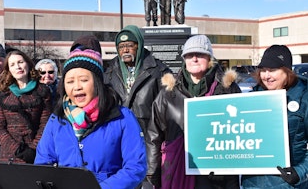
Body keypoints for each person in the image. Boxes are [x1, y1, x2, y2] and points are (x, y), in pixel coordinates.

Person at [34, 37, 147, 189]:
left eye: (83, 80)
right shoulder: (57, 119)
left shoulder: (123, 117)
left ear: (97, 82)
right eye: (70, 81)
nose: (77, 87)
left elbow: (135, 167)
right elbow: (43, 163)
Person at [146, 35, 241, 189]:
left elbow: (239, 131)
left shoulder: (227, 90)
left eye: (200, 54)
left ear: (209, 57)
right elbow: (154, 135)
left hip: (217, 176)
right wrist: (152, 173)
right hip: (176, 169)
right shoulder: (168, 93)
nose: (194, 59)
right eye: (189, 55)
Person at [104, 24, 171, 188]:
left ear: (139, 46)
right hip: (118, 143)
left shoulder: (158, 71)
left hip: (148, 142)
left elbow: (166, 111)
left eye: (129, 45)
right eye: (121, 47)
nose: (125, 50)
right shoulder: (109, 72)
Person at [242, 45, 308, 188]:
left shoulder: (304, 99)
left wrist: (300, 172)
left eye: (273, 70)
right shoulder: (251, 99)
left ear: (287, 71)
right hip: (253, 184)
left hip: (288, 184)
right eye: (263, 70)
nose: (266, 76)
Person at [0, 50, 51, 164]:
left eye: (20, 62)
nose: (18, 67)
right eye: (12, 64)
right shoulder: (3, 94)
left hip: (35, 154)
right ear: (9, 70)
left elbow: (46, 124)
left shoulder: (42, 91)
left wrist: (33, 148)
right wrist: (16, 148)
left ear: (28, 64)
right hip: (9, 155)